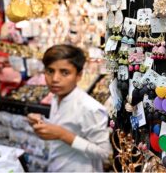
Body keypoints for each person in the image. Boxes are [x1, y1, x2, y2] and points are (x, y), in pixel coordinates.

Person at [27, 44, 112, 172]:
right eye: (50, 71)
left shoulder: (90, 108)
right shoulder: (57, 98)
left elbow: (104, 153)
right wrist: (42, 122)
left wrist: (63, 135)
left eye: (65, 72)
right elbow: (64, 125)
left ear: (79, 75)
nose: (55, 79)